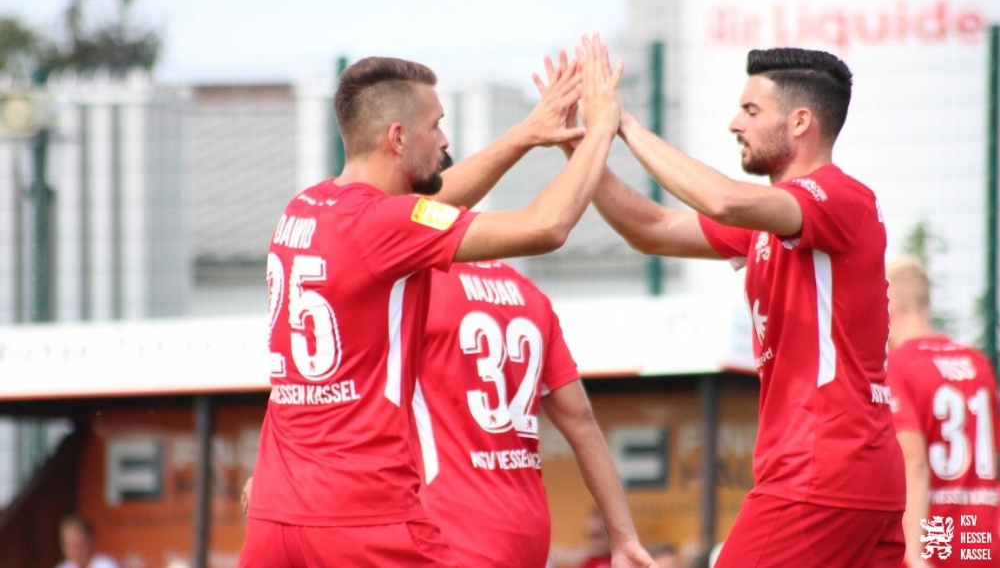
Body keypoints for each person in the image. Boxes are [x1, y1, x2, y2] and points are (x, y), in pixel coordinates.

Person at [238, 36, 625, 567]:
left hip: (275, 512)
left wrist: (525, 135)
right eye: (436, 125)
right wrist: (600, 128)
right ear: (398, 137)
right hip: (362, 516)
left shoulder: (303, 209)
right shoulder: (384, 225)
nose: (444, 140)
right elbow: (547, 226)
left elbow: (425, 207)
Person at [572, 47, 906, 567]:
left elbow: (724, 199)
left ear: (800, 122)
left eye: (751, 111)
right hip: (857, 469)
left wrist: (625, 125)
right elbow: (651, 228)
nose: (735, 124)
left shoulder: (840, 195)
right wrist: (582, 148)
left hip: (817, 466)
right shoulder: (769, 221)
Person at [413, 260, 653, 568]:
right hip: (528, 528)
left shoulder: (417, 285)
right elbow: (582, 422)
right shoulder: (530, 295)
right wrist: (624, 539)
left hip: (450, 524)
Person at [885, 257, 1000, 567]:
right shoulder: (978, 363)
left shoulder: (897, 367)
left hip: (937, 541)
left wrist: (913, 551)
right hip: (985, 538)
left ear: (888, 307)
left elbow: (914, 462)